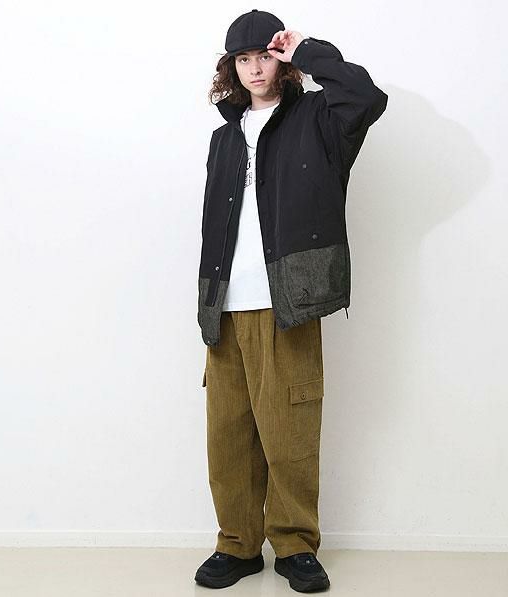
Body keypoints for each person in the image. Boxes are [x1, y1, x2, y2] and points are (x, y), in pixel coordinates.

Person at [194, 9, 388, 593]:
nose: (255, 68)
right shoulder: (224, 137)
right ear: (231, 68)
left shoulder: (319, 119)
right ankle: (237, 544)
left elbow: (366, 96)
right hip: (225, 303)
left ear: (281, 61)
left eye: (266, 56)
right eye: (244, 59)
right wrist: (206, 299)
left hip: (289, 298)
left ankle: (296, 545)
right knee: (228, 434)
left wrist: (306, 49)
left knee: (289, 430)